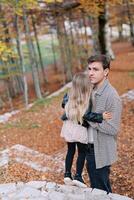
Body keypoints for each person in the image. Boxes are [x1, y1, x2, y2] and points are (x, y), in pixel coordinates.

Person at [61, 72, 112, 188]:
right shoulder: (86, 99)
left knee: (70, 151)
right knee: (82, 152)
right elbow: (87, 115)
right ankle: (78, 176)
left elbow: (62, 104)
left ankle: (67, 174)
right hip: (79, 129)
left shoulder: (68, 96)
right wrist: (101, 117)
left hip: (68, 127)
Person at [86, 54, 122, 193]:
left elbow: (113, 128)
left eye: (95, 69)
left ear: (106, 72)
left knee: (101, 191)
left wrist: (90, 118)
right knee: (97, 189)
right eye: (89, 69)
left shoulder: (112, 97)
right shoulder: (92, 90)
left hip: (100, 151)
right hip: (89, 148)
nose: (90, 73)